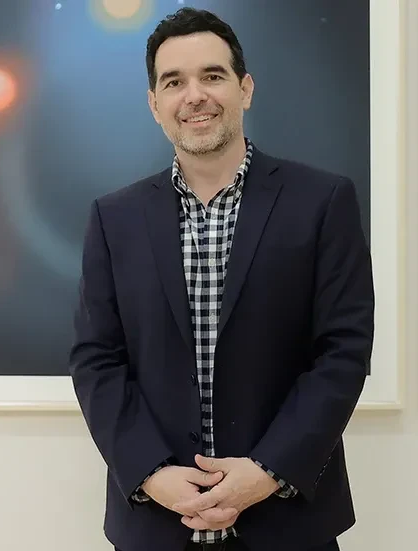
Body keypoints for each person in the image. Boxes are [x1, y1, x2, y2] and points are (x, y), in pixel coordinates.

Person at [68, 7, 374, 551]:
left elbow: (343, 352)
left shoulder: (323, 202)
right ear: (154, 104)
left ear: (245, 88)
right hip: (155, 525)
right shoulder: (113, 219)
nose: (195, 96)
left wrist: (269, 470)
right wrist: (150, 473)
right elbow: (97, 360)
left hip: (287, 521)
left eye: (213, 76)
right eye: (174, 82)